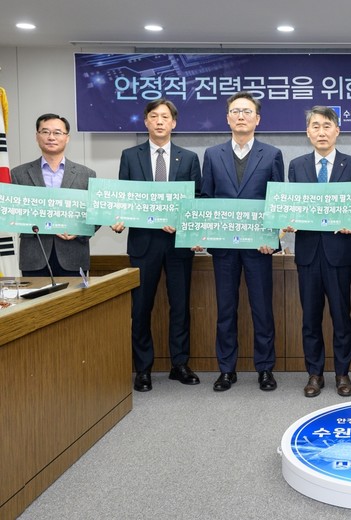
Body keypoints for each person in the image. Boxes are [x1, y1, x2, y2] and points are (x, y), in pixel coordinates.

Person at [111, 99, 202, 393]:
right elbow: (122, 196)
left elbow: (197, 199)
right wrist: (118, 218)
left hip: (178, 243)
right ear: (146, 122)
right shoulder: (130, 155)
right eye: (154, 116)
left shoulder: (189, 158)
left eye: (165, 117)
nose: (160, 121)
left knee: (180, 306)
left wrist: (183, 222)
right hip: (143, 243)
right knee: (141, 308)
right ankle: (143, 368)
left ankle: (180, 364)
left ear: (174, 123)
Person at [201, 91, 284, 392]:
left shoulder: (272, 154)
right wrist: (202, 234)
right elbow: (206, 198)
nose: (241, 116)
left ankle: (265, 369)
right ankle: (227, 370)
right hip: (224, 248)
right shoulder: (212, 154)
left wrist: (272, 238)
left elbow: (277, 201)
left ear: (257, 119)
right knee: (226, 310)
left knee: (262, 310)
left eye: (247, 111)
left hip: (258, 247)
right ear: (227, 118)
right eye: (235, 111)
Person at [287, 106, 351, 397]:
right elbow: (291, 205)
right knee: (310, 317)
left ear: (337, 131)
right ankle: (314, 373)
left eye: (327, 126)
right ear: (308, 132)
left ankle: (342, 373)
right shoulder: (296, 165)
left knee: (341, 316)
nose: (321, 132)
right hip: (308, 252)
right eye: (316, 126)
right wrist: (288, 219)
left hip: (339, 252)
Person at [11, 114, 96, 277]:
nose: (51, 137)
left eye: (57, 132)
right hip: (34, 258)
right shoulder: (19, 174)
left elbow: (96, 214)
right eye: (45, 132)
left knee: (75, 295)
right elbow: (13, 213)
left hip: (73, 256)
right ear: (37, 136)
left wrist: (79, 231)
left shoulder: (86, 174)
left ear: (67, 138)